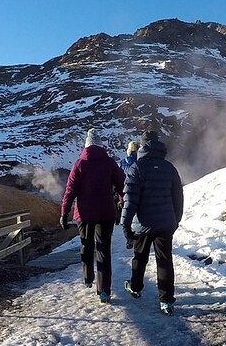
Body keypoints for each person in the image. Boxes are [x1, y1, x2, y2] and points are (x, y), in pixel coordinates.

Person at [120, 130, 184, 315]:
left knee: (139, 257)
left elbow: (130, 200)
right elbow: (178, 197)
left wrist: (125, 224)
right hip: (165, 223)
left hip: (143, 224)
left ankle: (136, 287)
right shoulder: (169, 168)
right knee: (164, 260)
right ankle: (166, 301)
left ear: (142, 145)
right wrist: (175, 220)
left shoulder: (136, 168)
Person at [61, 128, 125, 304]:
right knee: (103, 250)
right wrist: (123, 203)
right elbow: (122, 185)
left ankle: (88, 277)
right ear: (100, 144)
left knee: (86, 245)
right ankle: (104, 291)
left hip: (84, 214)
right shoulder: (109, 163)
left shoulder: (79, 164)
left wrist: (64, 212)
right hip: (106, 213)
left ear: (86, 145)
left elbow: (70, 190)